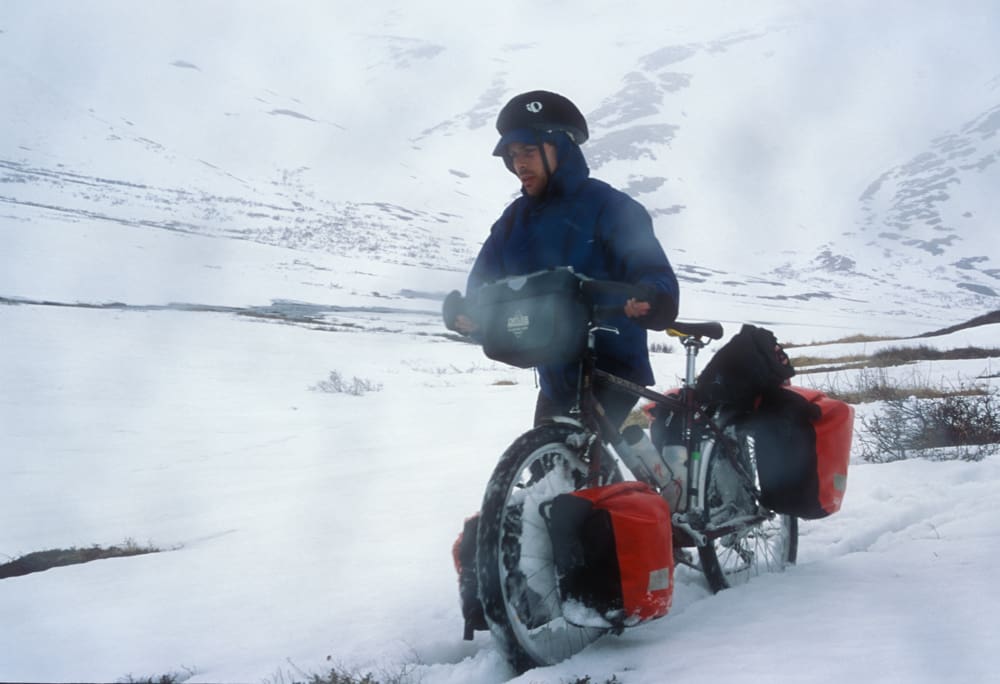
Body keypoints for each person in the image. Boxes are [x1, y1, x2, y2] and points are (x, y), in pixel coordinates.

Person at [444, 90, 679, 428]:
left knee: (573, 458)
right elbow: (486, 287)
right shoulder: (514, 221)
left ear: (563, 147)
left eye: (528, 150)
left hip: (611, 363)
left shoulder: (610, 207)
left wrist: (652, 298)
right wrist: (470, 315)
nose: (519, 163)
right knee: (550, 468)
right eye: (512, 155)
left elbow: (653, 271)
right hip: (554, 362)